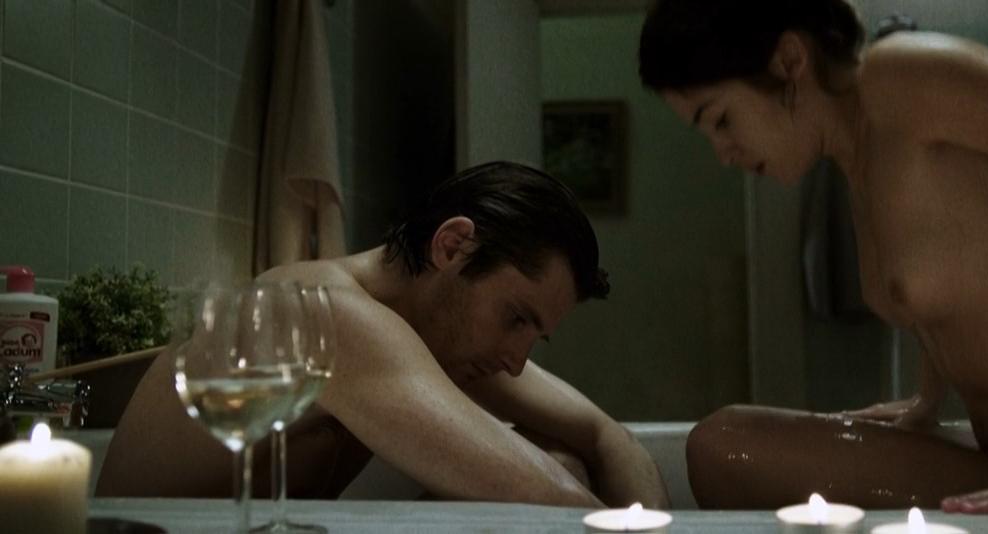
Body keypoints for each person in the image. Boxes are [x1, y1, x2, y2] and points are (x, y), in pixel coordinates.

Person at [639, 0, 988, 518]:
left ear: (790, 60)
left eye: (721, 120)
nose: (723, 154)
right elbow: (955, 272)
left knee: (727, 445)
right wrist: (927, 398)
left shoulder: (903, 76)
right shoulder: (859, 161)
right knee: (720, 445)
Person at [98, 161, 670, 508]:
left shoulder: (441, 341)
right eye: (516, 318)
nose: (517, 361)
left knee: (563, 458)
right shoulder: (330, 311)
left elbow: (606, 436)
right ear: (452, 246)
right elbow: (548, 499)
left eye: (535, 335)